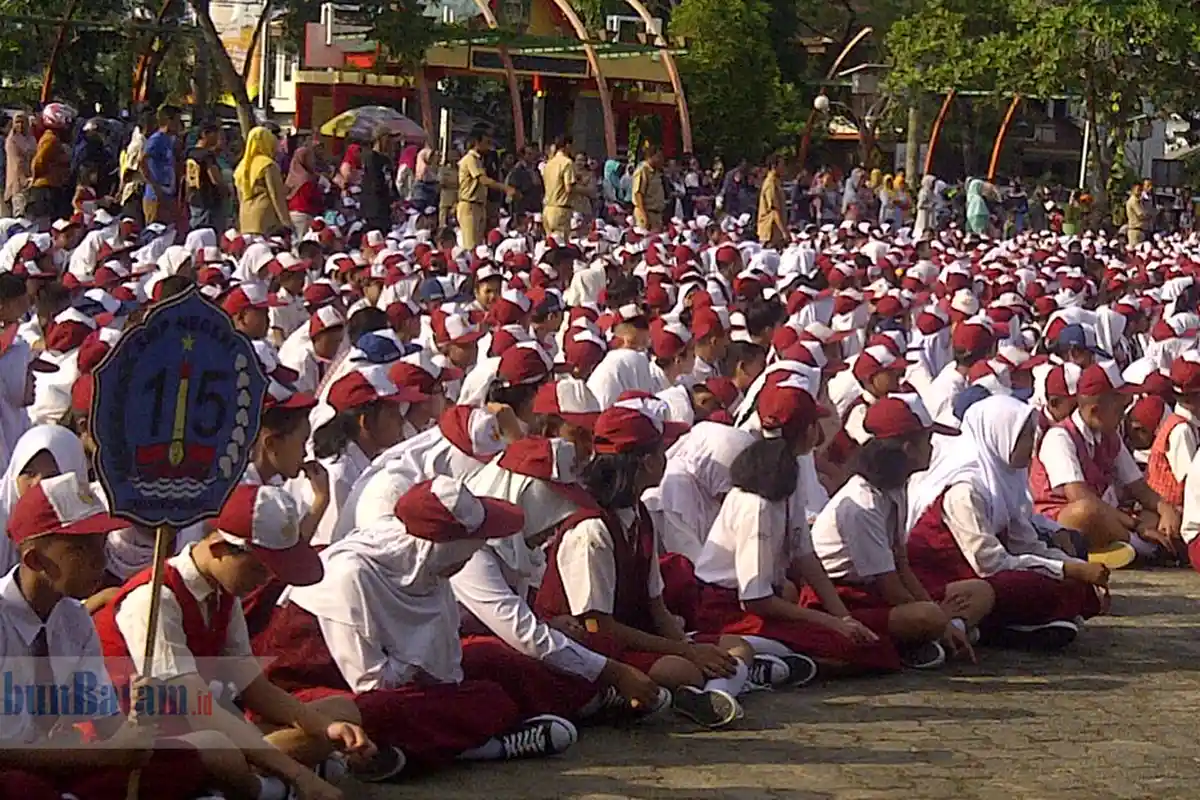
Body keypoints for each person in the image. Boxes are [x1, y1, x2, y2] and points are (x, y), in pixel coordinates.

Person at [258, 477, 581, 773]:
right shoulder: (351, 574)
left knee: (489, 675)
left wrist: (425, 662)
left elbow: (445, 668)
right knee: (386, 709)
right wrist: (418, 656)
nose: (472, 554)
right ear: (445, 546)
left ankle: (405, 751)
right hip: (309, 694)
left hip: (389, 687)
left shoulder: (425, 567)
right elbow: (371, 683)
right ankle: (480, 747)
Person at [93, 484, 379, 799]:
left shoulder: (222, 593)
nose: (265, 580)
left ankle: (265, 777)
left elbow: (253, 687)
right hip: (146, 738)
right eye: (259, 568)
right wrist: (300, 776)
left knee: (341, 714)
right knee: (219, 749)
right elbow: (197, 708)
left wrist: (325, 728)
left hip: (198, 724)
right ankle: (265, 785)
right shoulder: (155, 599)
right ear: (218, 549)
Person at [534, 399, 757, 728]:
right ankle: (717, 687)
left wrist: (688, 646)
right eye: (660, 451)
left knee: (737, 647)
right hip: (592, 643)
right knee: (683, 670)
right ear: (645, 462)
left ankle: (717, 692)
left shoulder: (640, 515)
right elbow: (598, 626)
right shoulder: (591, 528)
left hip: (633, 632)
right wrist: (687, 654)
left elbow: (656, 605)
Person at [907, 395, 1107, 650]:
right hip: (948, 579)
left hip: (981, 572)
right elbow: (989, 564)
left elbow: (1026, 543)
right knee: (1032, 584)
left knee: (1072, 581)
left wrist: (1074, 566)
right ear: (999, 436)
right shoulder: (966, 489)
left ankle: (1008, 625)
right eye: (1022, 437)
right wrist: (1067, 569)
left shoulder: (1005, 479)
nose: (1030, 444)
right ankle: (970, 628)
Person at [810, 394, 991, 667]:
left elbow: (901, 563)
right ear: (908, 448)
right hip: (844, 598)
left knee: (979, 591)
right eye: (927, 442)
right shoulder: (862, 504)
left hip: (877, 591)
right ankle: (937, 635)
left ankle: (937, 637)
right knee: (926, 617)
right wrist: (938, 616)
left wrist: (936, 608)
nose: (933, 448)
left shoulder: (896, 486)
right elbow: (890, 586)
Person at [1030, 360, 1182, 566]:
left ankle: (1118, 548)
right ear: (1095, 411)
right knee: (1084, 512)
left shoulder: (1110, 436)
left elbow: (1139, 488)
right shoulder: (1060, 436)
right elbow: (1079, 496)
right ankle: (1144, 549)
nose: (1124, 416)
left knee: (1154, 515)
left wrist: (1166, 510)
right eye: (1120, 409)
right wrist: (1137, 526)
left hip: (1108, 518)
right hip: (1062, 521)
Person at [458, 126, 514, 250]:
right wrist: (505, 188)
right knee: (470, 246)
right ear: (477, 142)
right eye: (486, 143)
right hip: (469, 205)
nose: (489, 147)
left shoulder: (480, 160)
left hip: (479, 205)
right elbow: (483, 179)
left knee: (479, 247)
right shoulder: (470, 159)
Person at [235, 126, 291, 236]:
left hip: (245, 218)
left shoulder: (242, 166)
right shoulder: (268, 164)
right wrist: (286, 221)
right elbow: (276, 195)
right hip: (264, 217)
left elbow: (240, 196)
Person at [28, 103, 75, 226]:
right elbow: (38, 162)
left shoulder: (55, 138)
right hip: (46, 190)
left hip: (53, 188)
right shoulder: (50, 139)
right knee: (46, 225)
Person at [140, 105, 181, 225]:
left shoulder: (170, 140)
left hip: (168, 194)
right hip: (155, 197)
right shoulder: (156, 139)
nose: (179, 125)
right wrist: (154, 185)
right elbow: (142, 161)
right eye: (177, 121)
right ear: (169, 121)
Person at [185, 120, 226, 232]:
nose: (217, 138)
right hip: (208, 202)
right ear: (204, 134)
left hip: (194, 199)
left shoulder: (190, 152)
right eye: (215, 134)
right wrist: (226, 191)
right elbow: (215, 179)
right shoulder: (207, 156)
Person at [285, 134, 324, 238]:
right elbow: (313, 199)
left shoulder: (291, 176)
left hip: (291, 214)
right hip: (304, 215)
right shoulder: (307, 178)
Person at [360, 125, 395, 233]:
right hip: (374, 208)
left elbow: (390, 181)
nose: (390, 141)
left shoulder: (386, 159)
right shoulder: (370, 157)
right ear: (380, 138)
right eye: (388, 138)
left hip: (386, 209)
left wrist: (395, 199)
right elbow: (375, 182)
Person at [541, 137, 576, 239]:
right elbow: (569, 188)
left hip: (547, 208)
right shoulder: (567, 162)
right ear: (567, 146)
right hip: (561, 209)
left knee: (550, 243)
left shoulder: (549, 163)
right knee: (561, 246)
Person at [5, 111, 35, 219]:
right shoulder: (12, 141)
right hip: (17, 184)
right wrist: (24, 180)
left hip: (31, 183)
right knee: (20, 217)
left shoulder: (31, 139)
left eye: (23, 122)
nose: (20, 125)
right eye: (17, 122)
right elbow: (17, 163)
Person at [632, 143, 666, 232]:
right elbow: (638, 193)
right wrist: (644, 215)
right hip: (647, 213)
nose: (661, 160)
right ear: (651, 156)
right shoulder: (643, 170)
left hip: (657, 215)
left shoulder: (657, 172)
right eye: (659, 157)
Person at [757, 155, 787, 249]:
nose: (784, 168)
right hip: (769, 232)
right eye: (782, 165)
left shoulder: (776, 182)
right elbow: (774, 210)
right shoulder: (770, 183)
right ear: (774, 166)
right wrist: (784, 231)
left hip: (776, 233)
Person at [507, 145, 544, 219]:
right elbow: (513, 190)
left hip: (536, 208)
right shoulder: (517, 171)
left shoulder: (536, 170)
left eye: (533, 154)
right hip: (523, 210)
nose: (532, 156)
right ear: (523, 156)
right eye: (529, 154)